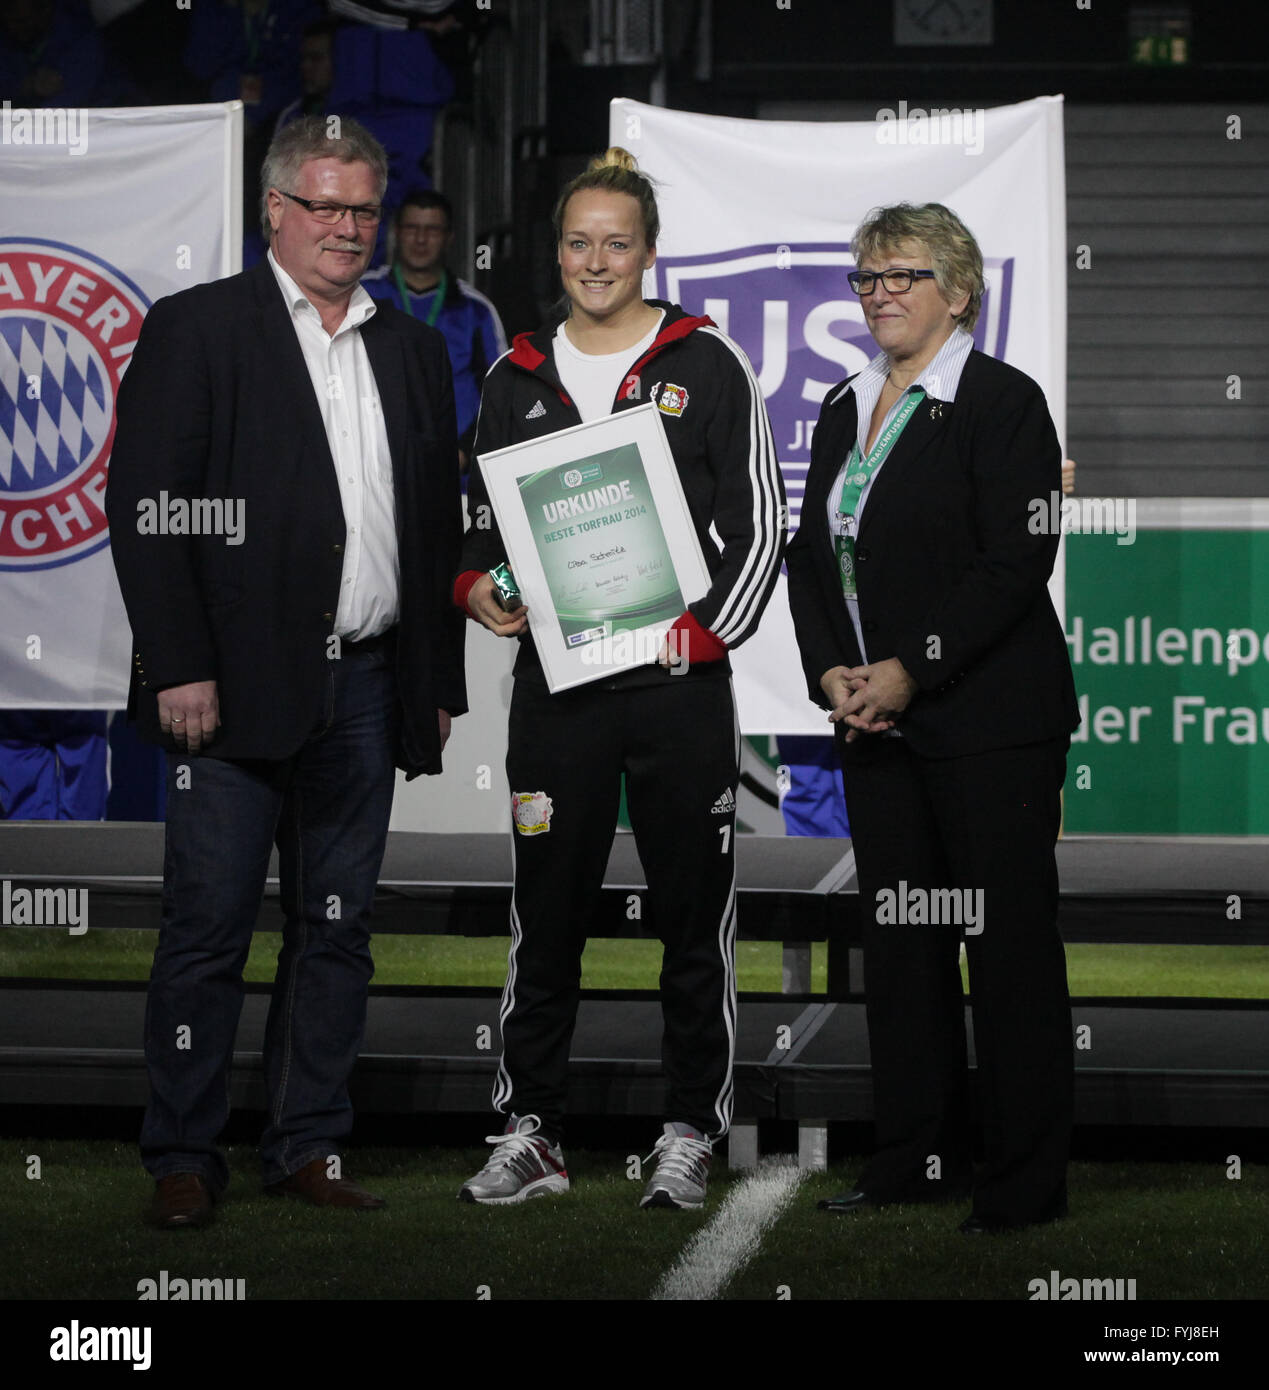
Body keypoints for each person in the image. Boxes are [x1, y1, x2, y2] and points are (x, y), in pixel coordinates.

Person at [106, 115, 466, 1229]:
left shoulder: (407, 348)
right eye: (327, 207)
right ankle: (182, 1151)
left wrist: (433, 685)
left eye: (364, 209)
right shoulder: (198, 328)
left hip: (364, 689)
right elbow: (147, 510)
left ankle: (306, 1143)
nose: (350, 229)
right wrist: (177, 663)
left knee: (336, 929)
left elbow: (431, 527)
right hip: (224, 691)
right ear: (275, 210)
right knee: (207, 931)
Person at [453, 147, 784, 1209]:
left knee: (692, 918)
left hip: (679, 689)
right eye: (578, 242)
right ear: (557, 251)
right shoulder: (514, 375)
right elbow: (479, 525)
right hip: (557, 688)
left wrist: (711, 632)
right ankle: (532, 1130)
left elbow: (764, 529)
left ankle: (689, 1129)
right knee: (545, 911)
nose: (597, 260)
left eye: (618, 242)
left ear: (648, 251)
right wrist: (477, 591)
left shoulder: (709, 363)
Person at [785, 202, 1079, 1233]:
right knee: (904, 955)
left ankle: (1024, 1180)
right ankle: (912, 1157)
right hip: (877, 727)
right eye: (866, 278)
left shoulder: (1002, 401)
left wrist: (913, 669)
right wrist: (834, 671)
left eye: (901, 275)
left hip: (991, 724)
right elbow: (808, 559)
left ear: (959, 290)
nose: (879, 294)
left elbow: (1016, 562)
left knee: (1006, 952)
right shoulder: (841, 402)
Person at [363, 190, 508, 471]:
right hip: (374, 467)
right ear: (396, 232)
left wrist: (466, 451)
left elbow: (500, 394)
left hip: (454, 473)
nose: (420, 239)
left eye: (432, 230)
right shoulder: (362, 294)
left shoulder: (476, 310)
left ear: (449, 237)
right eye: (412, 228)